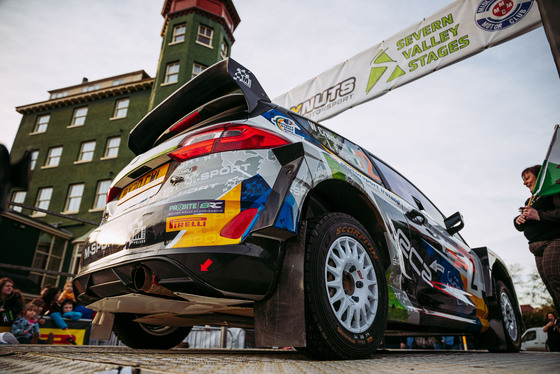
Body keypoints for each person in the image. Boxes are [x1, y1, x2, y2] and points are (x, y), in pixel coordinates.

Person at [514, 165, 560, 312]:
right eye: (523, 180)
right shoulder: (531, 199)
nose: (524, 183)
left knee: (555, 278)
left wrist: (539, 215)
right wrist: (518, 219)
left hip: (553, 240)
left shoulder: (553, 191)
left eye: (527, 177)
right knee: (550, 286)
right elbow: (523, 225)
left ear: (540, 176)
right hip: (536, 247)